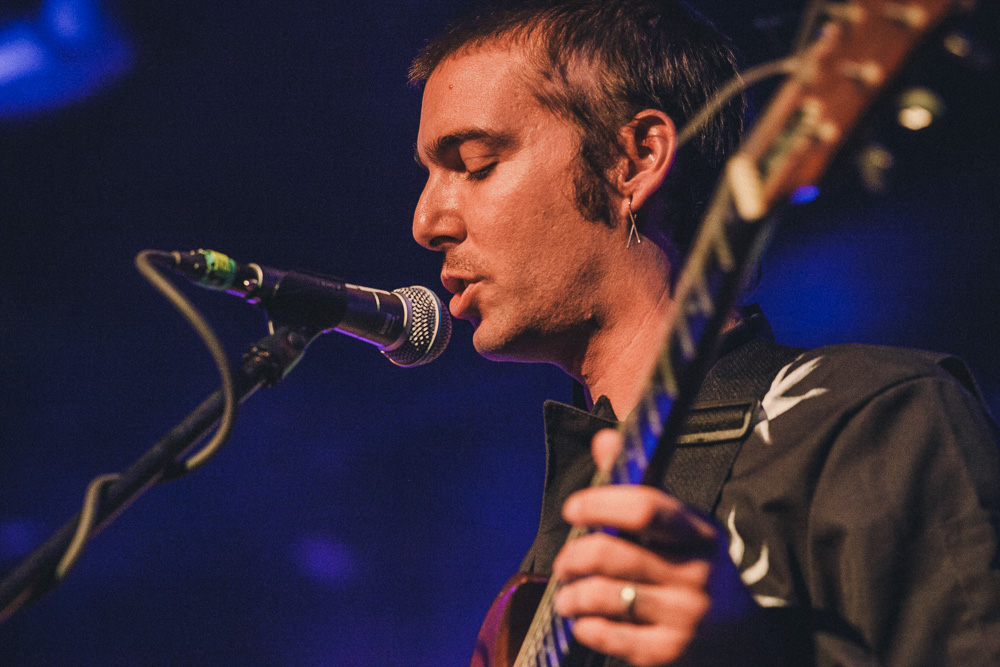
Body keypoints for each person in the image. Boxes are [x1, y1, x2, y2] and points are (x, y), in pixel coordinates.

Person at [408, 1, 1000, 665]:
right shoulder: (549, 562)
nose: (426, 220)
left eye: (477, 162)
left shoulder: (871, 419)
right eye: (430, 176)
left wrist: (749, 648)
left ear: (633, 159)